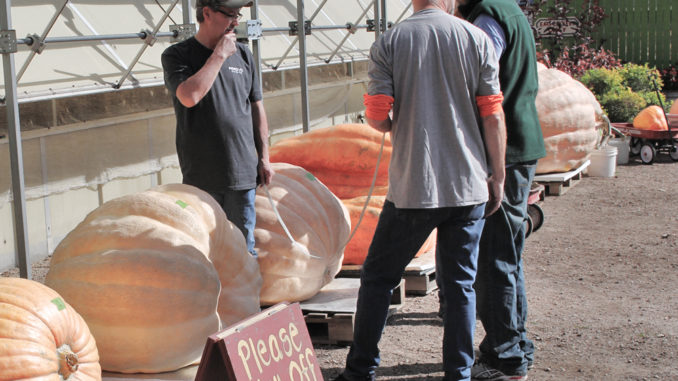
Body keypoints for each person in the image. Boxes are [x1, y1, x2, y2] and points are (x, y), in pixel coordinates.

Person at [333, 0, 507, 380]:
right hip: (468, 185)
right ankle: (458, 373)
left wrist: (394, 121)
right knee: (461, 285)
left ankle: (360, 370)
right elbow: (492, 113)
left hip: (415, 186)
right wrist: (498, 174)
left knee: (378, 279)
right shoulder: (477, 39)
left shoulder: (391, 41)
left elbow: (377, 116)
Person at [456, 1, 547, 380]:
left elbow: (484, 83)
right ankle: (511, 345)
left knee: (494, 261)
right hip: (520, 146)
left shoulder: (487, 18)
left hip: (504, 153)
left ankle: (507, 358)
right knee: (507, 256)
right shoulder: (507, 9)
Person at [161, 0, 273, 256]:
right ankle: (216, 298)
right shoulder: (177, 55)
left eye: (238, 15)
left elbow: (256, 106)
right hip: (203, 174)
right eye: (230, 15)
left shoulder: (244, 54)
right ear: (207, 13)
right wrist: (219, 55)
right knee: (207, 251)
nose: (236, 22)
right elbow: (190, 96)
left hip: (242, 171)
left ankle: (247, 299)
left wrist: (264, 157)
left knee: (243, 251)